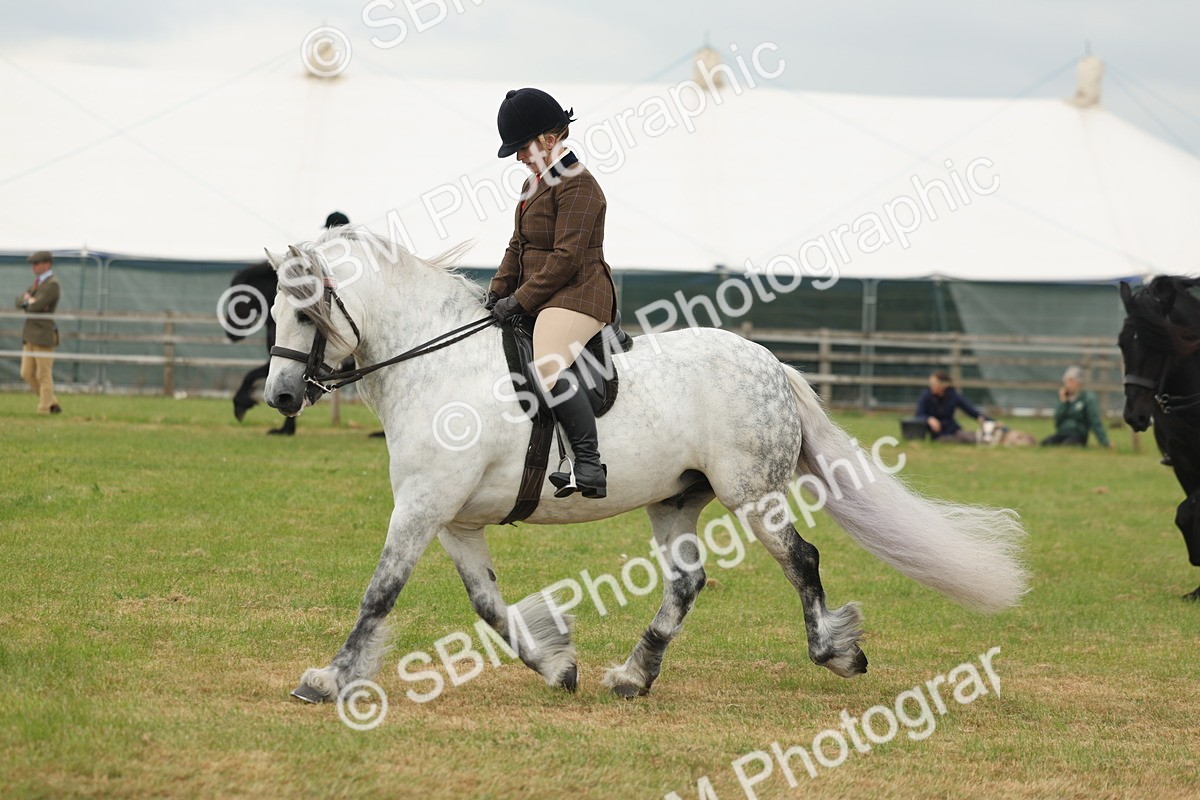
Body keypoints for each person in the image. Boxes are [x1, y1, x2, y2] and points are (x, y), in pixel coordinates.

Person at [486, 88, 618, 499]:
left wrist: (519, 301)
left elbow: (565, 258)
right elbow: (517, 246)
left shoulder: (580, 186)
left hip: (578, 292)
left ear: (548, 138)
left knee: (547, 361)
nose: (520, 157)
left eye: (522, 148)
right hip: (544, 291)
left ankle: (589, 464)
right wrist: (496, 293)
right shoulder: (534, 185)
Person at [16, 250, 62, 415]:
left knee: (43, 374)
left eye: (36, 263)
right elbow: (19, 301)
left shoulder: (52, 284)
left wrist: (29, 301)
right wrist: (28, 301)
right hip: (29, 335)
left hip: (43, 335)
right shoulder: (37, 283)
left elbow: (36, 305)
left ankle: (44, 409)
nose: (33, 267)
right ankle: (52, 402)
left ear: (47, 264)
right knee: (26, 373)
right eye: (33, 264)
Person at [1041, 366, 1113, 448]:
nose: (1068, 384)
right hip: (1062, 433)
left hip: (1078, 435)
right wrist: (1063, 403)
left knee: (1068, 446)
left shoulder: (1088, 398)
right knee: (1045, 443)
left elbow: (1095, 421)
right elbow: (1057, 419)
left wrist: (1105, 442)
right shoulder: (1063, 398)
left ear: (1079, 382)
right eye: (1066, 381)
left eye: (1071, 381)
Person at [914, 371, 991, 443]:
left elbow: (972, 411)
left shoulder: (953, 396)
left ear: (943, 385)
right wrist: (929, 419)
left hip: (952, 429)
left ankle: (984, 437)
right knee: (966, 439)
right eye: (931, 383)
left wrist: (989, 421)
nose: (931, 385)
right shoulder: (926, 396)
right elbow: (919, 414)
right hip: (938, 434)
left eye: (934, 383)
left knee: (968, 437)